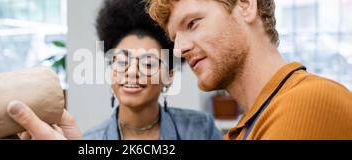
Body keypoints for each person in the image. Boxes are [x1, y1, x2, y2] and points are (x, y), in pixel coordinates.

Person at [6, 0, 222, 140]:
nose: (131, 71)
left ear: (169, 76)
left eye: (148, 63)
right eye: (120, 61)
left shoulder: (200, 130)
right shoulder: (90, 141)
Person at [145, 0, 352, 139]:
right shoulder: (246, 128)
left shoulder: (310, 102)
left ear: (245, 5)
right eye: (174, 39)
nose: (180, 50)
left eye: (192, 23)